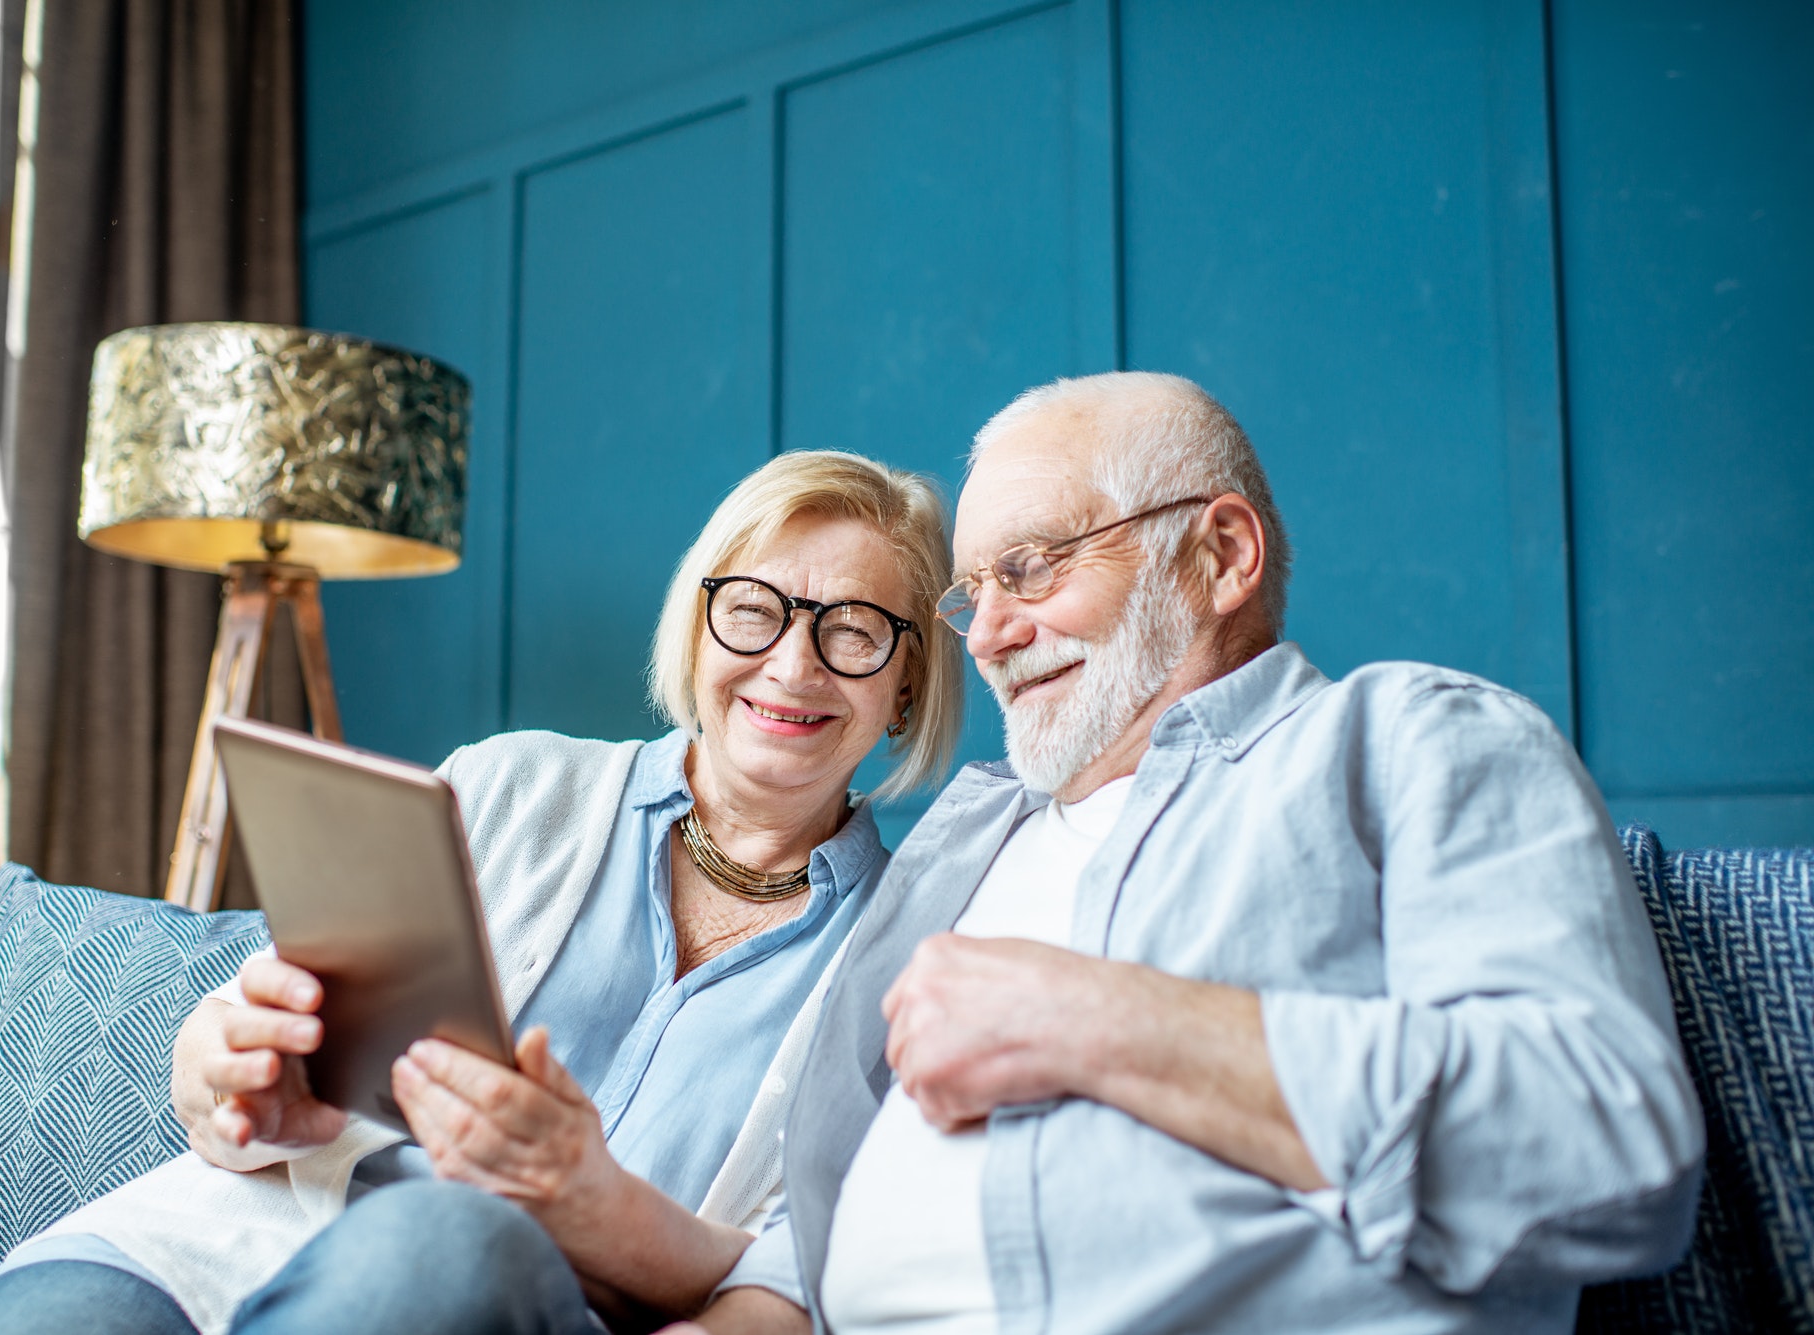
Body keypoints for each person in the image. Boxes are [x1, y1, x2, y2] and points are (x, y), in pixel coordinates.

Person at [690, 372, 1704, 1335]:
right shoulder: (964, 843)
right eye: (969, 594)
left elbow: (1604, 1141)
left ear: (1218, 555)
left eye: (1030, 567)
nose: (987, 634)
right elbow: (809, 1231)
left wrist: (1096, 1018)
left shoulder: (1406, 741)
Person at [0, 449, 964, 1335]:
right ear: (699, 631)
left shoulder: (912, 951)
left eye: (854, 631)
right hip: (243, 1226)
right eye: (752, 611)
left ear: (905, 682)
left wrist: (589, 1200)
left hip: (522, 1297)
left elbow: (806, 1270)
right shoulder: (508, 785)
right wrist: (231, 1077)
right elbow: (241, 1050)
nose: (791, 664)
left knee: (449, 1236)